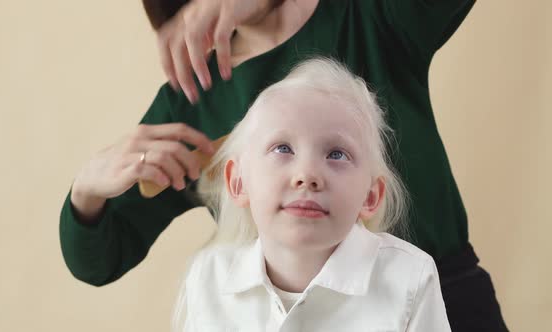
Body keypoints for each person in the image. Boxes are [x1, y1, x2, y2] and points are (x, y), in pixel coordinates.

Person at [59, 0, 508, 330]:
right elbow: (99, 257)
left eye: (336, 154)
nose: (306, 176)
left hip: (447, 294)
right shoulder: (194, 98)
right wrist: (87, 190)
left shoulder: (366, 17)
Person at [175, 57, 450, 331]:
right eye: (283, 148)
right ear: (238, 183)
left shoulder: (410, 279)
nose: (307, 175)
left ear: (370, 196)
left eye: (337, 154)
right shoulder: (208, 276)